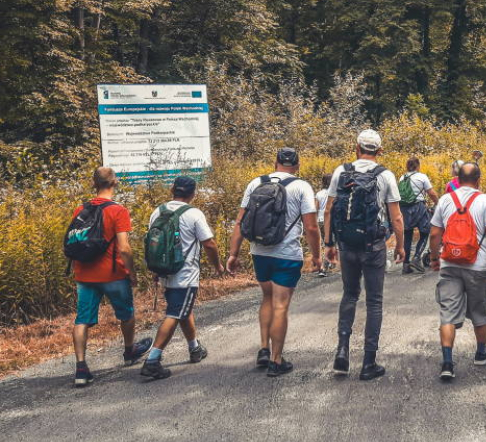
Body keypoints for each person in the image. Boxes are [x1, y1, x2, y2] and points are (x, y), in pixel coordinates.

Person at [227, 148, 321, 377]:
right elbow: (310, 226)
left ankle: (263, 348)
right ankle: (276, 361)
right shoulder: (301, 186)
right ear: (297, 166)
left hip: (259, 252)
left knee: (267, 298)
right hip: (286, 254)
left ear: (275, 162)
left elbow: (240, 221)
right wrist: (317, 255)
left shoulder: (255, 183)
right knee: (281, 305)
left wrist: (233, 253)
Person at [323, 129, 404, 381]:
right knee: (374, 302)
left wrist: (329, 243)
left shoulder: (341, 171)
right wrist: (400, 246)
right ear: (379, 151)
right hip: (374, 246)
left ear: (356, 147)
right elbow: (396, 217)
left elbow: (328, 209)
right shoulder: (386, 175)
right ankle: (369, 362)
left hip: (347, 244)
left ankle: (342, 352)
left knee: (349, 295)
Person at [67, 167, 151, 387]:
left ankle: (81, 368)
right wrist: (131, 272)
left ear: (95, 184)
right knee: (126, 314)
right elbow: (124, 248)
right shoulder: (118, 210)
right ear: (114, 183)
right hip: (112, 274)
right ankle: (129, 351)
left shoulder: (80, 209)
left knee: (82, 319)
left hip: (84, 273)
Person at [140, 176, 225, 380]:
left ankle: (194, 348)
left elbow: (153, 243)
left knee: (182, 310)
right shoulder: (194, 214)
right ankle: (152, 360)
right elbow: (210, 244)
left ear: (172, 190)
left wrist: (155, 270)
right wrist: (218, 266)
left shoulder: (158, 211)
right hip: (184, 275)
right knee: (175, 313)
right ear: (193, 193)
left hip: (165, 272)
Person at [429, 162, 486, 381]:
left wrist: (435, 258)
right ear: (478, 179)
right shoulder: (484, 200)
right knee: (480, 311)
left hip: (450, 264)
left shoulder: (445, 200)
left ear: (458, 179)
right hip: (479, 266)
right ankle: (481, 353)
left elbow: (435, 234)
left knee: (448, 314)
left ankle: (447, 362)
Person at [399, 157, 439, 274]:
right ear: (417, 166)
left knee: (408, 235)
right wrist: (438, 203)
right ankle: (416, 257)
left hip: (404, 209)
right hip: (418, 207)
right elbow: (431, 193)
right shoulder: (422, 177)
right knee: (425, 232)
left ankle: (406, 265)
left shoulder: (403, 177)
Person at [315, 175, 333, 278]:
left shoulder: (319, 194)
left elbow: (315, 209)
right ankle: (323, 268)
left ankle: (329, 263)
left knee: (325, 243)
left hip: (320, 221)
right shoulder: (334, 194)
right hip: (330, 220)